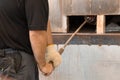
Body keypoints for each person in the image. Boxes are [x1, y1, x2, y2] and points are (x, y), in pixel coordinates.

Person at [0, 0, 62, 80]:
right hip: (17, 64)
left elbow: (42, 19)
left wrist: (50, 49)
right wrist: (43, 65)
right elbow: (36, 33)